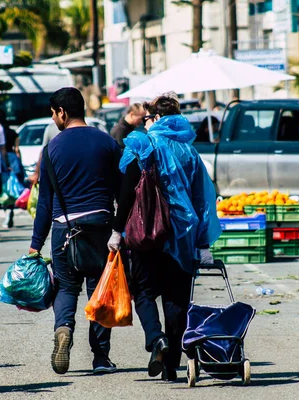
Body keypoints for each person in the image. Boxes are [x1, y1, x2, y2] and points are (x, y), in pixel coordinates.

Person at [108, 94, 221, 381]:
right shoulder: (190, 152)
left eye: (147, 118)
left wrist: (116, 230)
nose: (146, 122)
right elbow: (203, 200)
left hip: (147, 233)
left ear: (156, 118)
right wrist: (203, 242)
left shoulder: (142, 144)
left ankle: (156, 339)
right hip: (183, 235)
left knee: (144, 292)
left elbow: (127, 191)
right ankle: (171, 365)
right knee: (176, 299)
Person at [29, 87, 122, 375]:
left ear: (62, 113)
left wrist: (35, 244)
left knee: (66, 288)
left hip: (64, 229)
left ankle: (63, 329)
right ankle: (101, 358)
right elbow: (121, 190)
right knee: (100, 291)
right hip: (101, 228)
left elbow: (44, 203)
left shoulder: (52, 149)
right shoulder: (107, 142)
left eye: (53, 114)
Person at [0, 108, 24, 229]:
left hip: (1, 160)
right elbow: (17, 149)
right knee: (12, 188)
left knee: (3, 189)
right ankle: (10, 211)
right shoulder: (13, 132)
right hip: (13, 159)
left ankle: (4, 212)